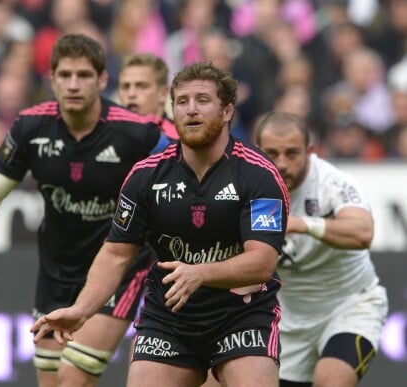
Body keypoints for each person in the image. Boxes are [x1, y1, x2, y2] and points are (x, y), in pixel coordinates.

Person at [32, 61, 290, 387]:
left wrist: (200, 273)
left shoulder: (259, 174)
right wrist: (82, 310)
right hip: (169, 317)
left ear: (227, 111)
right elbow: (116, 254)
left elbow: (262, 263)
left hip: (242, 315)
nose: (191, 110)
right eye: (182, 101)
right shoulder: (145, 175)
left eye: (202, 100)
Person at [0, 33, 170, 387]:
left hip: (120, 269)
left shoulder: (138, 133)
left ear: (102, 80)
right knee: (51, 383)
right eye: (65, 75)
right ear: (51, 79)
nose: (73, 84)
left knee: (72, 379)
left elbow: (190, 171)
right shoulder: (29, 128)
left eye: (83, 75)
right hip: (56, 273)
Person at [255, 111, 389, 387]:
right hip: (286, 322)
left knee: (332, 380)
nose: (281, 164)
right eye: (272, 153)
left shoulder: (333, 182)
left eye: (291, 154)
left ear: (309, 151)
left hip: (350, 307)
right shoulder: (247, 187)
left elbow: (363, 232)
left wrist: (303, 225)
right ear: (258, 152)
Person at [117, 52, 177, 140]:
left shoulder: (179, 141)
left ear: (163, 93)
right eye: (125, 87)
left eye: (141, 86)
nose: (131, 94)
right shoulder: (107, 136)